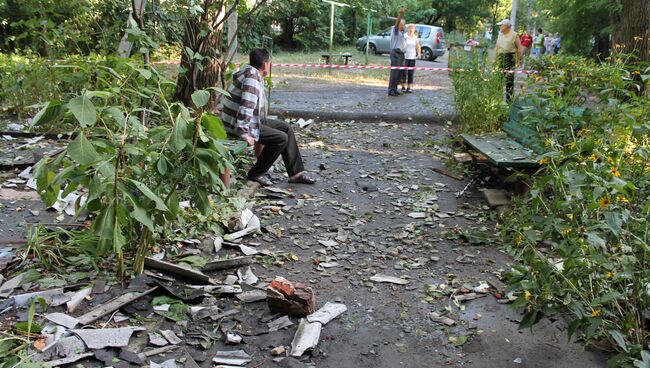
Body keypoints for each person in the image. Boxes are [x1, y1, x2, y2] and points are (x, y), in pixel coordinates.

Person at [220, 48, 315, 186]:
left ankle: (295, 173)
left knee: (286, 128)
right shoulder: (252, 78)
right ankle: (256, 173)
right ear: (265, 65)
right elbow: (246, 106)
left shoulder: (250, 72)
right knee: (280, 139)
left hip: (249, 121)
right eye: (269, 63)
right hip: (237, 125)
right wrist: (244, 133)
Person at [494, 19, 523, 102]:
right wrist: (495, 58)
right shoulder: (500, 34)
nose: (500, 27)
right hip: (500, 57)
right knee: (498, 78)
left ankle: (509, 100)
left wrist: (518, 60)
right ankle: (496, 99)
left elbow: (519, 48)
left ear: (506, 26)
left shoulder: (514, 35)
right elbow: (497, 46)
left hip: (510, 57)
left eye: (501, 25)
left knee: (509, 80)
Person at [387, 7, 406, 97]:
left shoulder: (402, 33)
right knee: (394, 72)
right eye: (403, 24)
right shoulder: (395, 31)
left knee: (398, 73)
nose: (404, 26)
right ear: (399, 25)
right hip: (396, 53)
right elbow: (397, 22)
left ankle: (395, 89)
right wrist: (400, 14)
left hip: (401, 54)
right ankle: (391, 90)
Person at [400, 24, 421, 93]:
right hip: (405, 57)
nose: (411, 29)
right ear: (408, 29)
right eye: (410, 28)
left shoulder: (415, 37)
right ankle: (403, 86)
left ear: (414, 30)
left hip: (412, 57)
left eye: (413, 28)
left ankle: (409, 87)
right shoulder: (405, 36)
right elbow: (401, 45)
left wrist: (419, 54)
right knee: (404, 72)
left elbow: (418, 46)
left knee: (410, 73)